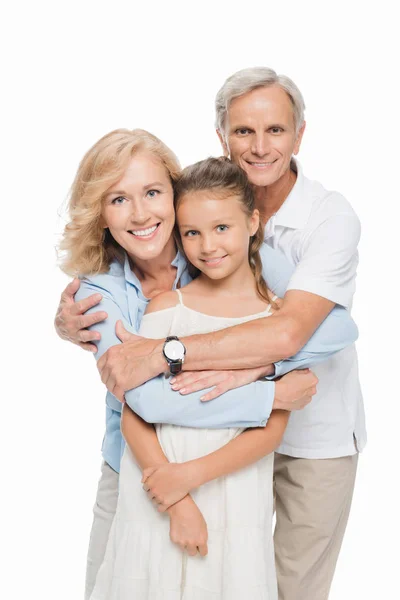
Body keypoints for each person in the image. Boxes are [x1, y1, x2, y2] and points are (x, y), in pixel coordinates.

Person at [56, 85, 360, 599]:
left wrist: (257, 367)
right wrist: (269, 396)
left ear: (175, 196)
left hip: (230, 470)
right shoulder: (100, 292)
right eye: (118, 199)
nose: (140, 213)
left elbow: (333, 327)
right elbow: (143, 399)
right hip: (139, 469)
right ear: (100, 214)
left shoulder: (213, 251)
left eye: (153, 193)